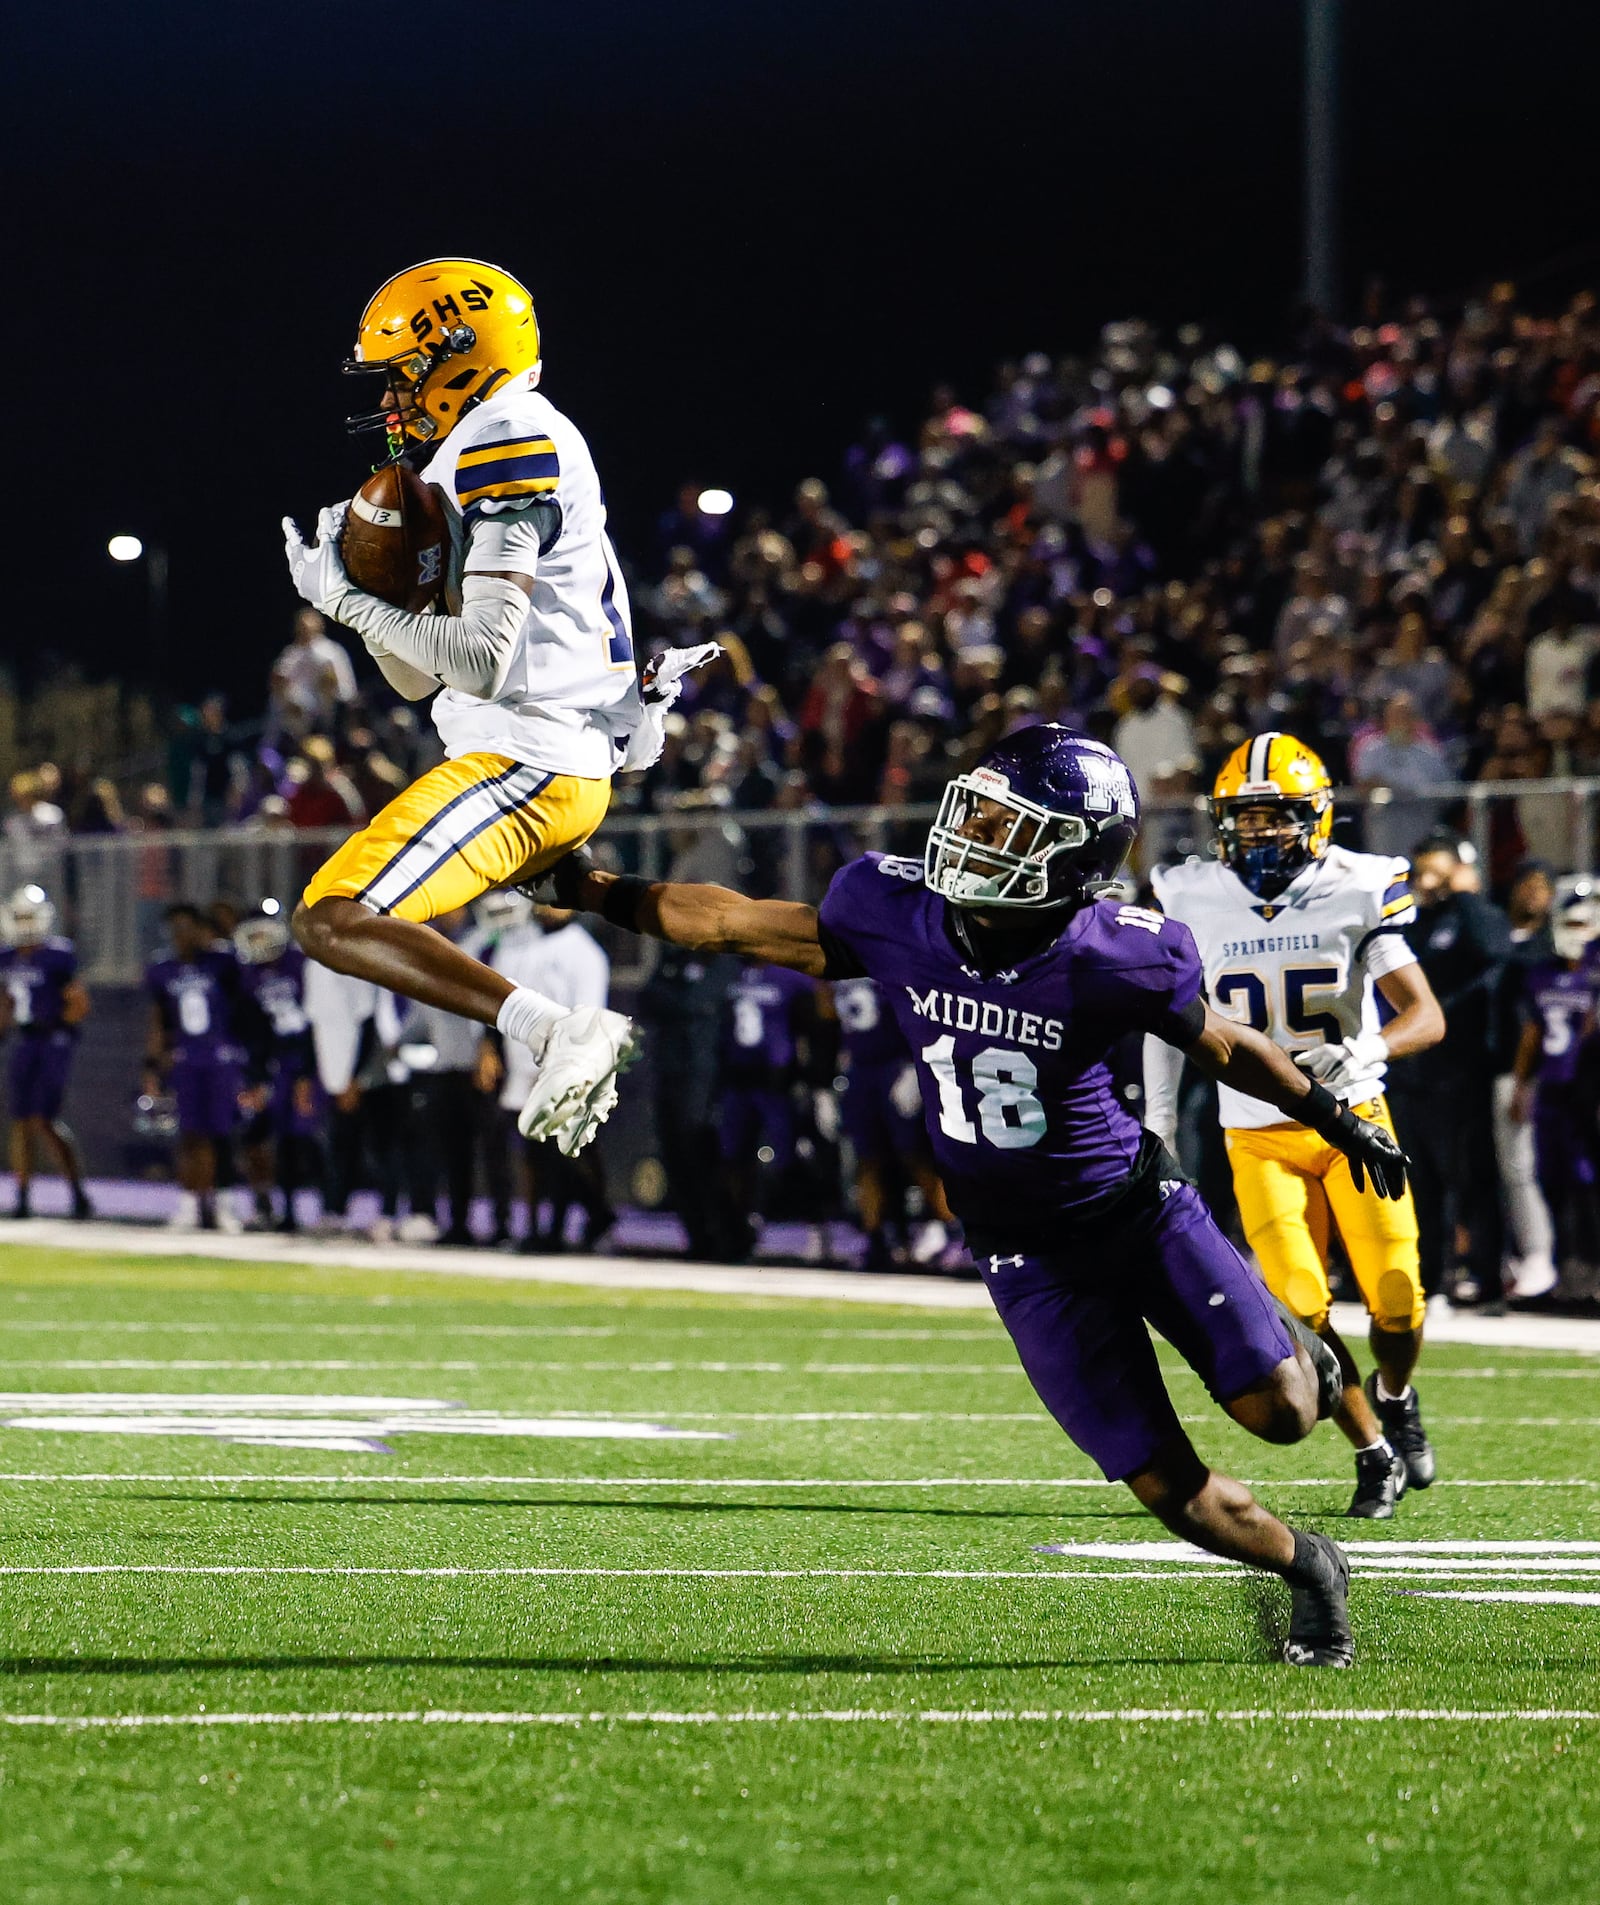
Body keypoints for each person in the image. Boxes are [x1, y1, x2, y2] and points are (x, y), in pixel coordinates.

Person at [542, 724, 1417, 1669]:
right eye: (979, 809)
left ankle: (1307, 1358)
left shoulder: (1119, 954)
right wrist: (589, 889)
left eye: (1007, 824)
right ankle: (1310, 1567)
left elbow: (1226, 1045)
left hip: (1135, 1210)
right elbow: (732, 920)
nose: (970, 834)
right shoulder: (894, 910)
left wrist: (1335, 1114)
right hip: (1022, 1252)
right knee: (1167, 1486)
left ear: (1071, 855)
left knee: (1281, 1413)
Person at [283, 257, 715, 1158]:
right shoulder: (471, 444)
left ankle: (558, 1029)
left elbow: (479, 661)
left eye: (403, 370)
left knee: (334, 916)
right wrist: (376, 582)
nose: (393, 396)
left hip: (529, 756)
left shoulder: (508, 433)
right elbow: (417, 679)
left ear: (459, 355)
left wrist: (347, 602)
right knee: (340, 917)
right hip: (522, 754)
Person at [1145, 734, 1445, 1519]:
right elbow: (1161, 1014)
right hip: (1254, 1130)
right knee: (1302, 1306)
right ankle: (1373, 1448)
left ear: (1314, 817)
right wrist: (1162, 1117)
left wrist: (1370, 1045)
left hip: (1354, 1120)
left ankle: (1397, 1391)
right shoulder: (1188, 891)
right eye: (1243, 818)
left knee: (1396, 1297)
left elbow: (1426, 1013)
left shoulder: (1359, 882)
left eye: (1276, 816)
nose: (1258, 832)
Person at [1388, 835, 1514, 1310]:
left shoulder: (1473, 915)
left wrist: (1464, 893)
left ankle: (1487, 1280)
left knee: (1473, 1178)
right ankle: (1432, 1279)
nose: (1426, 881)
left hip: (1463, 1071)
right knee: (1421, 1183)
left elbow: (1493, 954)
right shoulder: (1418, 922)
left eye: (1437, 871)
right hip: (1416, 1072)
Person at [483, 893, 615, 1252]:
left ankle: (565, 1225)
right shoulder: (519, 944)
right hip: (522, 1065)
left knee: (565, 1154)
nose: (546, 906)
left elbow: (587, 1019)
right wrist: (490, 1048)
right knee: (530, 1152)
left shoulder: (584, 952)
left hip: (561, 1066)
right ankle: (542, 1226)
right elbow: (501, 1003)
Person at [1508, 878, 1600, 1293]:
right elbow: (1531, 1034)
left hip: (1589, 1091)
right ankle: (1567, 1266)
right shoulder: (1542, 973)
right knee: (1552, 1179)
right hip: (1554, 1091)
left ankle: (1590, 1264)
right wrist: (1521, 1085)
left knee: (1587, 1181)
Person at [830, 975, 958, 1270]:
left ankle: (954, 1232)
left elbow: (924, 1013)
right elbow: (826, 1011)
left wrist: (917, 1066)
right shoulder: (843, 957)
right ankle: (875, 1238)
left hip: (897, 1064)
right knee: (867, 1158)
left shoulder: (888, 954)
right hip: (860, 1069)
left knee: (916, 1156)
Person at [144, 903, 247, 1232]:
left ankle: (223, 1206)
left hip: (221, 1059)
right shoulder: (163, 970)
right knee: (189, 1134)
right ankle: (190, 1204)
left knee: (221, 1135)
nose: (180, 936)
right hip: (186, 1060)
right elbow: (160, 1021)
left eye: (187, 927)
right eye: (174, 929)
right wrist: (152, 1066)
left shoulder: (223, 962)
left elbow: (245, 1006)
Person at [0, 884, 92, 1220]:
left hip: (51, 1040)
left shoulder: (58, 954)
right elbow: (6, 1003)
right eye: (19, 916)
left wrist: (56, 1027)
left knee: (43, 1120)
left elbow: (78, 1002)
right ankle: (23, 1195)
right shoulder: (6, 957)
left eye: (29, 916)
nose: (24, 924)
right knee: (20, 1122)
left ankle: (77, 1191)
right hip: (24, 1040)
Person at [233, 903, 322, 1233]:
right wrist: (256, 1076)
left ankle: (329, 1209)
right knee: (274, 1137)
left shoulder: (301, 965)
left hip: (314, 1060)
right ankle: (282, 1209)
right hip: (279, 1064)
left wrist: (307, 1073)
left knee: (310, 1138)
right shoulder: (250, 976)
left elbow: (317, 1022)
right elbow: (255, 1031)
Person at [718, 959, 817, 1239]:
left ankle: (804, 1222)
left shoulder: (790, 976)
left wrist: (810, 1073)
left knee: (787, 1154)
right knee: (732, 1155)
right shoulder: (729, 971)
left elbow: (815, 1017)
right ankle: (738, 1223)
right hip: (738, 1078)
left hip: (777, 1081)